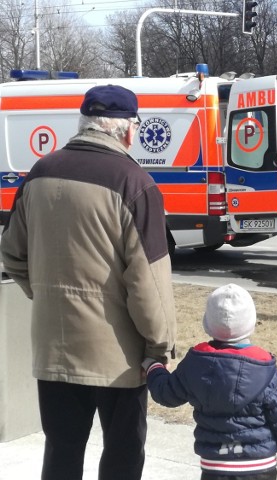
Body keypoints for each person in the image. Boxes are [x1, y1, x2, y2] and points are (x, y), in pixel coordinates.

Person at [0, 85, 177, 480]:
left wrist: (46, 296)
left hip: (54, 347)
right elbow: (149, 282)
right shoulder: (135, 183)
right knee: (123, 455)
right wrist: (159, 346)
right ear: (126, 130)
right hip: (120, 355)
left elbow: (11, 253)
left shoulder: (39, 173)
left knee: (61, 452)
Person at [143, 283, 277, 480]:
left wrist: (153, 367)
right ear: (251, 323)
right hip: (259, 467)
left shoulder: (197, 364)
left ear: (208, 324)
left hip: (215, 466)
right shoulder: (263, 368)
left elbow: (167, 394)